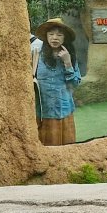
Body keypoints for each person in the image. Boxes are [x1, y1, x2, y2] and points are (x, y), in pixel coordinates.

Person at [32, 17, 81, 145]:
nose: (55, 38)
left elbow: (75, 83)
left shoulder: (70, 56)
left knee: (67, 148)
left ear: (64, 38)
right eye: (51, 34)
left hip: (64, 111)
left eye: (59, 35)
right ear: (46, 36)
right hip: (43, 112)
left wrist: (68, 62)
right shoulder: (36, 54)